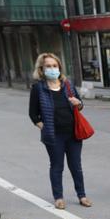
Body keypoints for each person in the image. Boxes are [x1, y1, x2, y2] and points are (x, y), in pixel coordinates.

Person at [28, 53, 90, 210]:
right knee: (57, 166)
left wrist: (79, 103)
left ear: (59, 67)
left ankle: (82, 195)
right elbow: (33, 114)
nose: (52, 68)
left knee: (76, 166)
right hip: (54, 135)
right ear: (41, 69)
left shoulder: (67, 85)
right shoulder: (38, 88)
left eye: (54, 66)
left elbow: (79, 105)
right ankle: (59, 197)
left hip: (73, 133)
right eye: (48, 66)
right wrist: (45, 127)